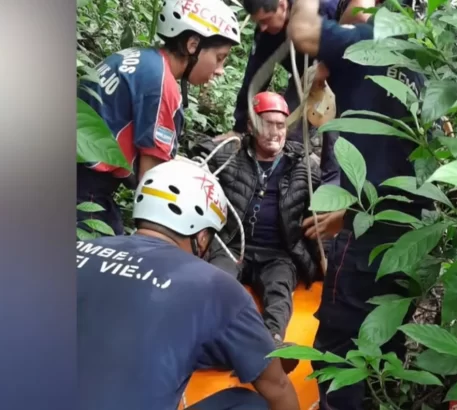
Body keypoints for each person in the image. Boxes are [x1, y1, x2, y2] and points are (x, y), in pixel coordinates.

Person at [287, 1, 434, 409]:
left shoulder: (364, 42)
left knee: (338, 345)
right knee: (386, 337)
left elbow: (302, 29)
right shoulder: (418, 56)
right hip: (411, 228)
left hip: (368, 231)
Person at [77, 159, 300, 410]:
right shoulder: (216, 286)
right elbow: (277, 386)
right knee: (251, 404)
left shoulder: (75, 250)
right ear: (202, 235)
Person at [77, 0, 241, 236]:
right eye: (219, 57)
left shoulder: (137, 57)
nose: (220, 70)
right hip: (87, 190)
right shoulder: (162, 85)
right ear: (193, 45)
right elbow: (151, 179)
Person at [191, 91, 323, 374]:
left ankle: (270, 345)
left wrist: (322, 261)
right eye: (267, 124)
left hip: (278, 252)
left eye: (280, 125)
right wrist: (225, 140)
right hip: (231, 245)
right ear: (251, 125)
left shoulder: (304, 167)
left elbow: (324, 205)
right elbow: (196, 160)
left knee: (279, 290)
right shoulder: (231, 154)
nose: (275, 132)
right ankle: (209, 344)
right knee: (219, 284)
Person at [213, 0, 341, 187]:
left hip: (337, 74)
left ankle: (331, 189)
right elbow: (256, 75)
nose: (263, 27)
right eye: (259, 23)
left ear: (282, 6)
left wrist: (327, 66)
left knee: (334, 131)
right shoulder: (266, 33)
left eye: (266, 20)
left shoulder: (325, 10)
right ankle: (286, 187)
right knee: (285, 130)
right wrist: (239, 128)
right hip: (303, 78)